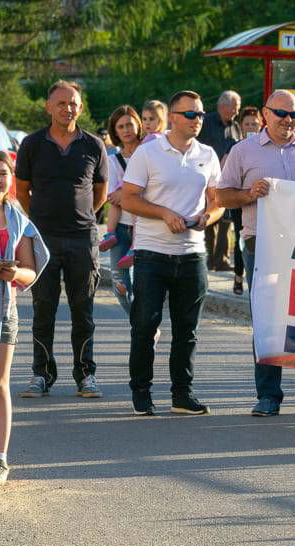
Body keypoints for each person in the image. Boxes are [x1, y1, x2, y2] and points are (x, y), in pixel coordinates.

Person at [216, 90, 295, 418]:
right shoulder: (242, 151)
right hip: (263, 244)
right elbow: (222, 196)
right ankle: (268, 395)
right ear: (264, 114)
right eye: (281, 114)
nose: (288, 120)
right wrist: (248, 194)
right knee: (269, 321)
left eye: (294, 115)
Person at [120, 90, 224, 416]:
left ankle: (182, 394)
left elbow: (217, 200)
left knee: (187, 331)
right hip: (152, 253)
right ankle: (141, 391)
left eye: (201, 115)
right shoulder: (149, 152)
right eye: (191, 114)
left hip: (192, 253)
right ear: (174, 117)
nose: (198, 120)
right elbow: (128, 199)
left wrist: (209, 217)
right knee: (145, 325)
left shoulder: (207, 154)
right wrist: (164, 213)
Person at [15, 80, 107, 400]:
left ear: (80, 108)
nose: (68, 108)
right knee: (44, 310)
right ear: (48, 107)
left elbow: (100, 193)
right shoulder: (32, 144)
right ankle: (41, 375)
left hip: (83, 239)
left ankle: (86, 375)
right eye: (61, 103)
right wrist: (39, 221)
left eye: (73, 104)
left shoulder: (93, 145)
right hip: (43, 239)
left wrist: (82, 217)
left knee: (83, 311)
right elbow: (21, 191)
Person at [0, 150, 47, 488]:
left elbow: (31, 272)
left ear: (10, 178)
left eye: (2, 173)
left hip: (2, 310)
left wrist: (14, 271)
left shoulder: (19, 219)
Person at [99, 105, 144, 312]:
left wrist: (123, 195)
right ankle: (138, 323)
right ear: (115, 131)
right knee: (119, 283)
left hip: (146, 228)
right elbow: (111, 196)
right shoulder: (112, 160)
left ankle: (145, 327)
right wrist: (124, 195)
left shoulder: (149, 153)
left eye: (129, 125)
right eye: (120, 127)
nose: (126, 130)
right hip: (120, 228)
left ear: (138, 125)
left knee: (146, 286)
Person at [198, 90, 242, 272]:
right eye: (234, 108)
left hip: (229, 179)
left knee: (226, 221)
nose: (236, 113)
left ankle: (221, 260)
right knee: (210, 218)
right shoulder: (206, 123)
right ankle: (210, 259)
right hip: (208, 176)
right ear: (223, 107)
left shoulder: (235, 126)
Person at [224, 106, 262, 296]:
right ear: (241, 126)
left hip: (264, 203)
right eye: (247, 124)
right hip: (241, 202)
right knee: (242, 238)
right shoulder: (235, 147)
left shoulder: (265, 147)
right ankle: (239, 275)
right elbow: (224, 173)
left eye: (255, 124)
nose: (251, 128)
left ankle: (254, 277)